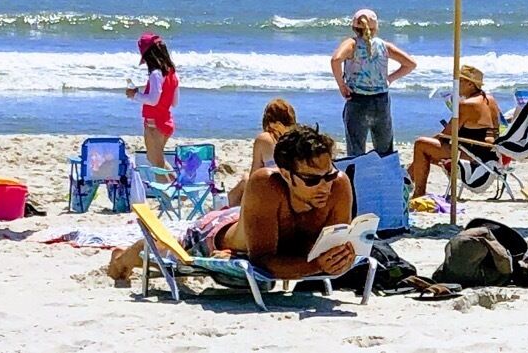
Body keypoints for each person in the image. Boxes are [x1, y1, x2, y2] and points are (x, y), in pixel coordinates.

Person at [107, 125, 360, 288]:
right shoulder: (266, 184)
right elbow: (263, 260)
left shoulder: (339, 185)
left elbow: (330, 249)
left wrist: (342, 257)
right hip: (214, 235)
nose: (324, 186)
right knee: (165, 251)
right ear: (286, 174)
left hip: (252, 226)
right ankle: (120, 259)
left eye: (327, 175)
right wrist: (317, 266)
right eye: (312, 180)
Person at [406, 63, 499, 198]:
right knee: (427, 150)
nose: (456, 84)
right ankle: (407, 180)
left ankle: (416, 189)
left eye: (461, 81)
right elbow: (496, 129)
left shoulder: (467, 104)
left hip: (473, 157)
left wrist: (435, 139)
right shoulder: (490, 100)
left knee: (421, 145)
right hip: (489, 155)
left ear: (471, 85)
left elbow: (446, 135)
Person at [332, 9, 415, 160]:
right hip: (381, 101)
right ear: (375, 27)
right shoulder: (384, 46)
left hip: (357, 100)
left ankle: (356, 181)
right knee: (385, 152)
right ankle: (385, 181)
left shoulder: (352, 44)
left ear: (354, 27)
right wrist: (389, 79)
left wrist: (342, 85)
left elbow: (336, 60)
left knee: (356, 151)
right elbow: (410, 64)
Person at [227, 98, 300, 207]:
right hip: (295, 190)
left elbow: (254, 176)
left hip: (274, 191)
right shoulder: (299, 137)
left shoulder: (265, 139)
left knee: (242, 184)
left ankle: (232, 215)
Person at [128, 32, 179, 168]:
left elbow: (153, 100)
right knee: (157, 161)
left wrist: (135, 95)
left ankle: (169, 189)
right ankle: (175, 187)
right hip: (166, 121)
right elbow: (174, 102)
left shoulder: (156, 74)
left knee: (157, 164)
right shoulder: (171, 73)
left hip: (154, 124)